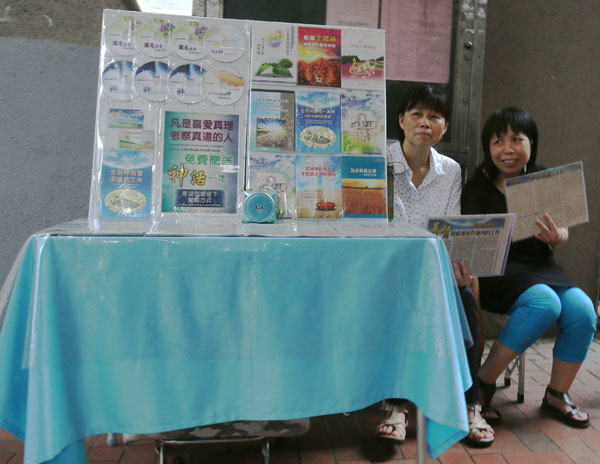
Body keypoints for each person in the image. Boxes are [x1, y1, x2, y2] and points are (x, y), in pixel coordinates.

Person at [461, 107, 597, 428]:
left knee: (583, 310)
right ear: (487, 147)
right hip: (497, 272)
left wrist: (557, 236)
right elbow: (471, 249)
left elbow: (562, 229)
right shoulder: (476, 187)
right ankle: (482, 384)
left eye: (517, 140)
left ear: (531, 143)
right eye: (498, 141)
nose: (507, 149)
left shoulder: (542, 179)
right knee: (544, 303)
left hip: (539, 267)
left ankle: (556, 394)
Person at [381, 84, 494, 447]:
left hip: (434, 268)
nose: (425, 123)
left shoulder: (451, 171)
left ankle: (471, 404)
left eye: (435, 116)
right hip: (387, 269)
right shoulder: (377, 160)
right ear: (401, 120)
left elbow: (453, 226)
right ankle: (398, 406)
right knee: (407, 305)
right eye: (416, 114)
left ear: (445, 126)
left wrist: (460, 264)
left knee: (466, 298)